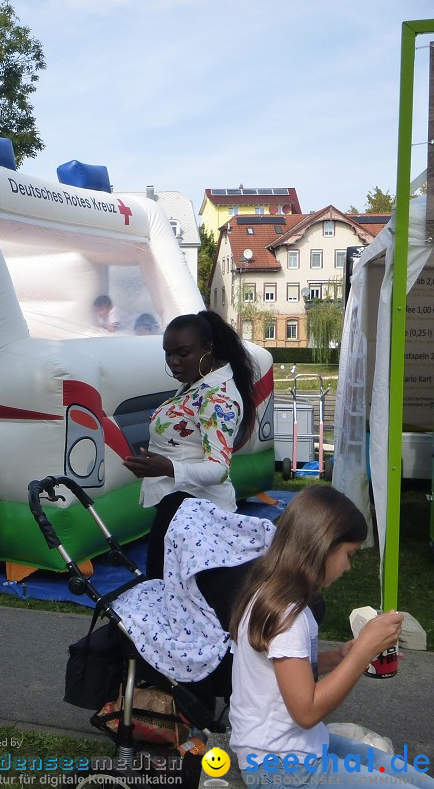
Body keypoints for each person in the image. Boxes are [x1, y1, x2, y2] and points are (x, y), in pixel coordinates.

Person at [230, 485, 433, 788]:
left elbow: (288, 672)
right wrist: (363, 652)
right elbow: (307, 711)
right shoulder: (287, 616)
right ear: (322, 547)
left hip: (298, 748)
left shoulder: (276, 596)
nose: (350, 567)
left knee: (405, 774)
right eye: (348, 554)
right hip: (281, 768)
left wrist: (343, 655)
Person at [122, 311, 258, 579]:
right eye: (168, 354)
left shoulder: (218, 398)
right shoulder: (195, 383)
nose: (173, 362)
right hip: (180, 506)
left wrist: (168, 467)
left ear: (208, 348)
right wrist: (157, 464)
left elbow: (218, 469)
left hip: (195, 513)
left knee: (170, 594)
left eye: (182, 353)